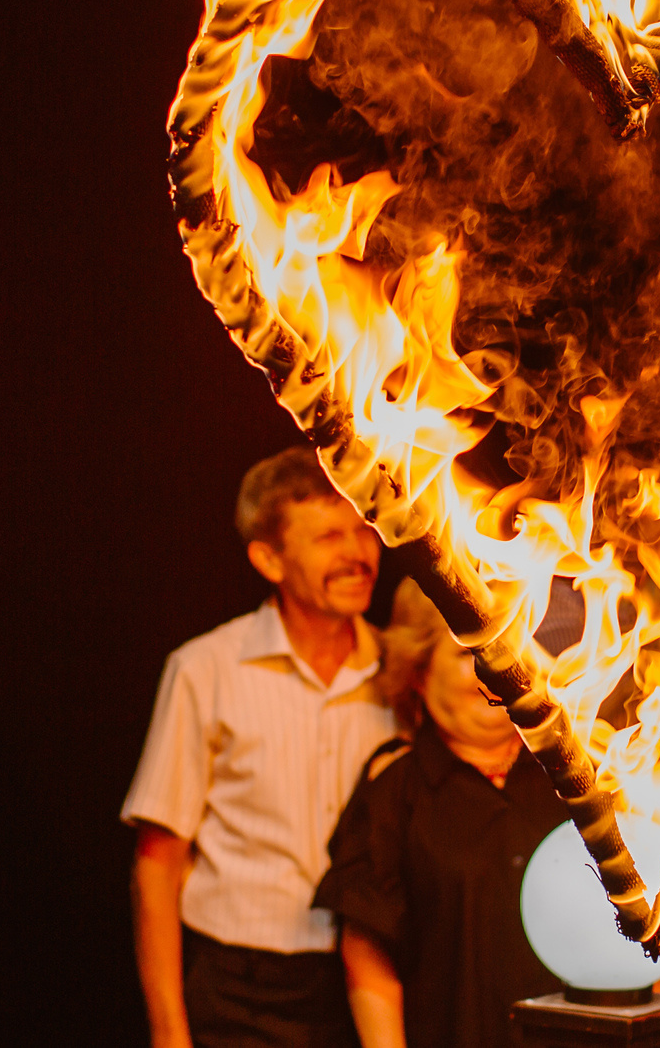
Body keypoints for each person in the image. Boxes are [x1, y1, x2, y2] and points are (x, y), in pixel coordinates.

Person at [123, 448, 400, 1048]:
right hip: (238, 989)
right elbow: (157, 864)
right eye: (329, 537)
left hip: (368, 985)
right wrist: (169, 1034)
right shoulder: (205, 670)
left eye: (363, 531)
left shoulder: (402, 675)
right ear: (268, 558)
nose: (356, 555)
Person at [315, 578, 572, 1048]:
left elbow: (637, 935)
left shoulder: (578, 781)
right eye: (465, 653)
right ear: (418, 671)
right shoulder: (394, 796)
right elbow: (369, 959)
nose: (493, 667)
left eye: (509, 647)